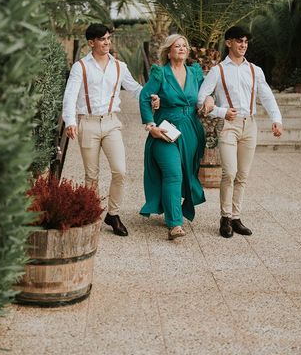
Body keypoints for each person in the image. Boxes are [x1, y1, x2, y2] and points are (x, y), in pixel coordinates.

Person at [62, 23, 158, 237]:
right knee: (91, 175)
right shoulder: (81, 67)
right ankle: (92, 213)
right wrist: (70, 121)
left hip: (111, 123)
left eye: (108, 39)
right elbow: (70, 96)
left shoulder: (119, 66)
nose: (107, 42)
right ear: (91, 43)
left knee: (120, 171)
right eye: (102, 39)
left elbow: (134, 88)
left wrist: (150, 96)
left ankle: (113, 214)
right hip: (87, 122)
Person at [197, 26, 283, 238]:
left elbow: (267, 96)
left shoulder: (255, 70)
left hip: (249, 125)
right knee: (230, 173)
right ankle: (225, 217)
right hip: (228, 126)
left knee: (242, 175)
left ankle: (236, 218)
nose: (243, 45)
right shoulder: (218, 70)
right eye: (239, 41)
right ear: (228, 43)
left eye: (245, 41)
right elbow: (201, 99)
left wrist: (277, 119)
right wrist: (221, 111)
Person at [139, 34, 214, 240]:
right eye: (177, 46)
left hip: (191, 130)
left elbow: (206, 92)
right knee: (173, 173)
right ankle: (175, 224)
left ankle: (173, 208)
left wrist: (208, 100)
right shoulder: (160, 73)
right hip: (165, 129)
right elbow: (145, 97)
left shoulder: (195, 72)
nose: (182, 48)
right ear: (169, 51)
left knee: (187, 173)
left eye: (184, 46)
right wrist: (150, 125)